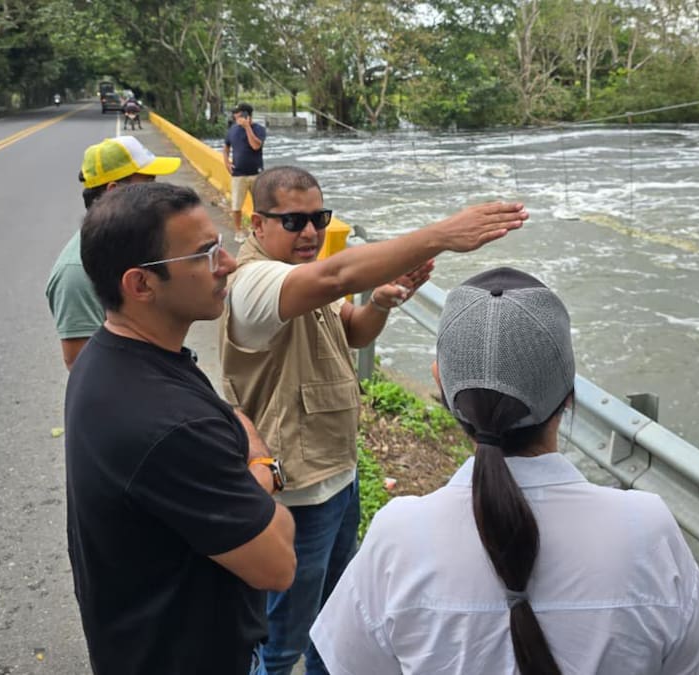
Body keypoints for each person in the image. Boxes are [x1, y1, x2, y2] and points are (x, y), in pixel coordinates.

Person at [308, 267, 699, 675]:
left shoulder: (399, 535)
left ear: (442, 387)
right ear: (569, 395)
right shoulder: (646, 529)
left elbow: (351, 663)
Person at [220, 166, 529, 675]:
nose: (310, 232)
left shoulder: (301, 273)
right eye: (294, 221)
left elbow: (354, 332)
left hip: (337, 473)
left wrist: (381, 303)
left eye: (319, 218)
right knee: (281, 641)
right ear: (258, 224)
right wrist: (441, 234)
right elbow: (337, 276)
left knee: (335, 622)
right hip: (297, 490)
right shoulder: (256, 283)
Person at [66, 182, 296, 674]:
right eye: (205, 254)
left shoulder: (110, 357)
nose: (227, 264)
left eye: (221, 245)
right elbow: (279, 564)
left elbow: (224, 417)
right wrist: (264, 467)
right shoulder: (169, 425)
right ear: (141, 285)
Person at [45, 136, 180, 369]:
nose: (157, 193)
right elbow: (82, 364)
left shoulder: (136, 241)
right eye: (148, 184)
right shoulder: (76, 272)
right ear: (114, 192)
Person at [222, 102, 266, 242]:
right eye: (235, 116)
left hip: (256, 173)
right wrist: (226, 162)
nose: (236, 118)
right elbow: (226, 147)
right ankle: (238, 230)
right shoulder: (233, 130)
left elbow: (255, 146)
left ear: (248, 116)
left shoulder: (259, 129)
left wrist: (247, 127)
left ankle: (257, 229)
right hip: (238, 174)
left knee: (260, 204)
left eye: (239, 116)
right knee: (236, 205)